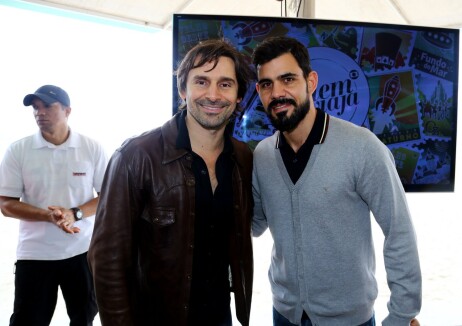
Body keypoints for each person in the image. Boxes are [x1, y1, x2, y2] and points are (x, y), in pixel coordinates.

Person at [251, 36, 421, 326]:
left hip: (349, 319)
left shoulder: (362, 146)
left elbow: (399, 231)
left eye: (288, 79)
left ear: (311, 81)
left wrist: (402, 316)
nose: (277, 92)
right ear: (259, 91)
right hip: (284, 315)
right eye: (267, 84)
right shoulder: (263, 155)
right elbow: (254, 224)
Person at [87, 39, 255, 326]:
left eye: (225, 84)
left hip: (219, 315)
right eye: (201, 81)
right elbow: (107, 260)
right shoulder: (136, 156)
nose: (213, 95)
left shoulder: (242, 157)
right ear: (182, 90)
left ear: (239, 95)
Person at [0, 85, 107, 325]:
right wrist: (47, 216)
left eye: (47, 106)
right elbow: (6, 204)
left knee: (84, 318)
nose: (40, 112)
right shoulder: (18, 150)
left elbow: (106, 197)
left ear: (68, 110)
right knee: (27, 320)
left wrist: (74, 213)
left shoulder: (91, 148)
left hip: (81, 252)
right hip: (35, 254)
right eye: (36, 108)